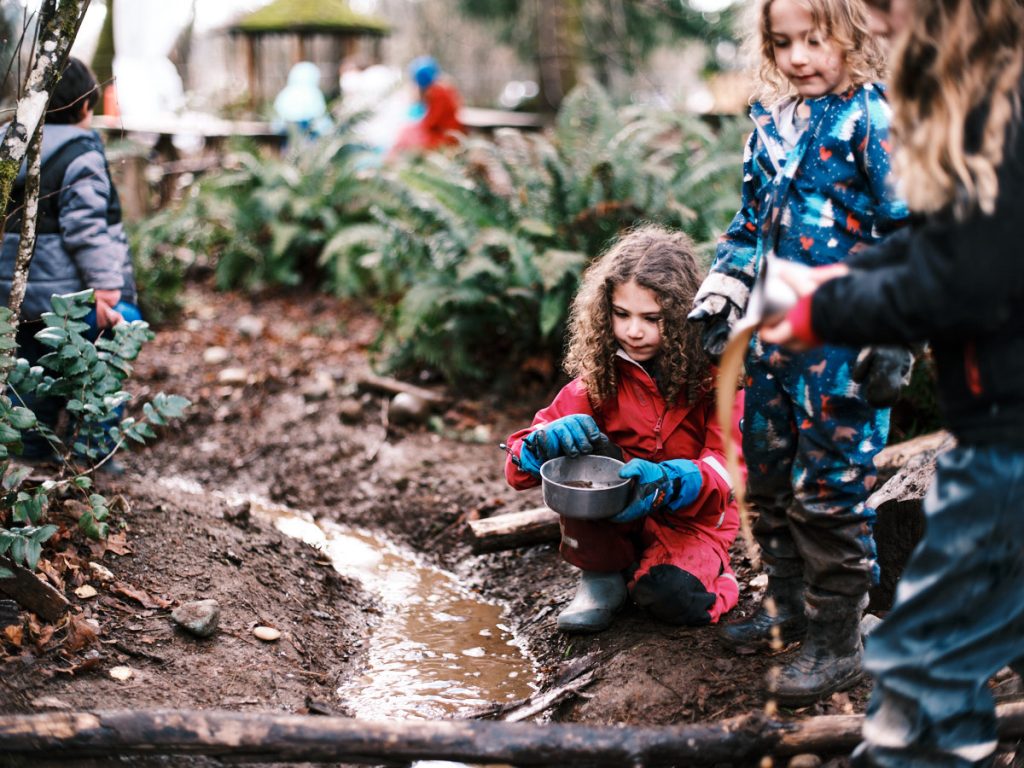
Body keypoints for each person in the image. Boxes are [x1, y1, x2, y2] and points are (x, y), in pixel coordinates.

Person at [760, 0, 1024, 763]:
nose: (871, 18)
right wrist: (845, 278)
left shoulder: (993, 111)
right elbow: (938, 244)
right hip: (1000, 425)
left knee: (920, 674)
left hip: (1009, 438)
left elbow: (966, 279)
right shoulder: (982, 98)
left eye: (883, 5)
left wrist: (830, 307)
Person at [686, 0, 911, 705]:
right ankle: (787, 609)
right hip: (776, 333)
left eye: (817, 40)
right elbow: (749, 222)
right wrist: (723, 291)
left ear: (854, 35)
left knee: (831, 490)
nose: (799, 58)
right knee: (772, 478)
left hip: (842, 346)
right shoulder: (772, 126)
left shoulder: (875, 122)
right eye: (783, 43)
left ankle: (841, 638)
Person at [504, 225, 744, 633]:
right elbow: (518, 472)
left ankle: (711, 576)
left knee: (671, 597)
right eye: (622, 314)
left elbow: (733, 468)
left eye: (653, 318)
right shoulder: (598, 377)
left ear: (686, 313)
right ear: (605, 311)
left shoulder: (720, 377)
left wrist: (673, 480)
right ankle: (601, 577)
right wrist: (542, 444)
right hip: (608, 524)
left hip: (690, 522)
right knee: (574, 459)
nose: (634, 331)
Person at [1, 56, 140, 472]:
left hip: (16, 293)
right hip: (70, 297)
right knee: (108, 350)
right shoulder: (81, 155)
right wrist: (106, 289)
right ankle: (95, 448)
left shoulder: (12, 143)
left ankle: (31, 445)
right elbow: (86, 231)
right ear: (84, 108)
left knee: (28, 368)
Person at [390, 56, 465, 156]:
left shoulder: (438, 92)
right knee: (406, 133)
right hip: (444, 134)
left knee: (406, 135)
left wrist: (417, 126)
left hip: (446, 138)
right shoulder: (441, 89)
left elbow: (431, 122)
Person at [273, 61, 331, 140]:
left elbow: (278, 108)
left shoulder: (287, 92)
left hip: (288, 131)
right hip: (307, 130)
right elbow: (319, 112)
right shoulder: (313, 93)